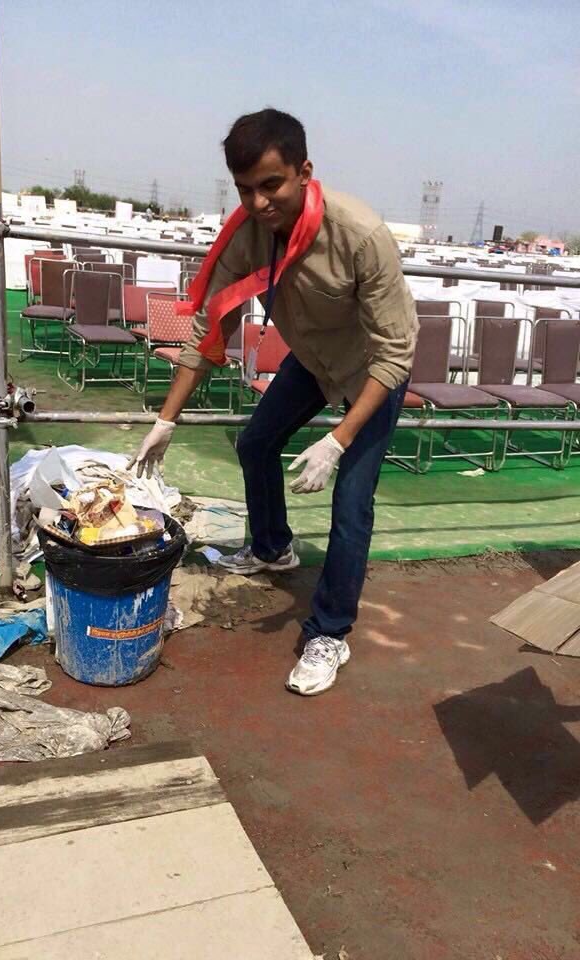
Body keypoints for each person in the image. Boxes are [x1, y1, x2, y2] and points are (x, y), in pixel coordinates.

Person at [129, 108, 417, 696]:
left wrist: (337, 442)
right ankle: (272, 548)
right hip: (312, 362)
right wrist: (166, 419)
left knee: (351, 503)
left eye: (271, 185)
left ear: (304, 171)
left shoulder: (360, 235)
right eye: (244, 189)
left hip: (370, 375)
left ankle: (330, 631)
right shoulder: (247, 234)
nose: (258, 202)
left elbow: (395, 355)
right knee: (256, 441)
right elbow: (212, 333)